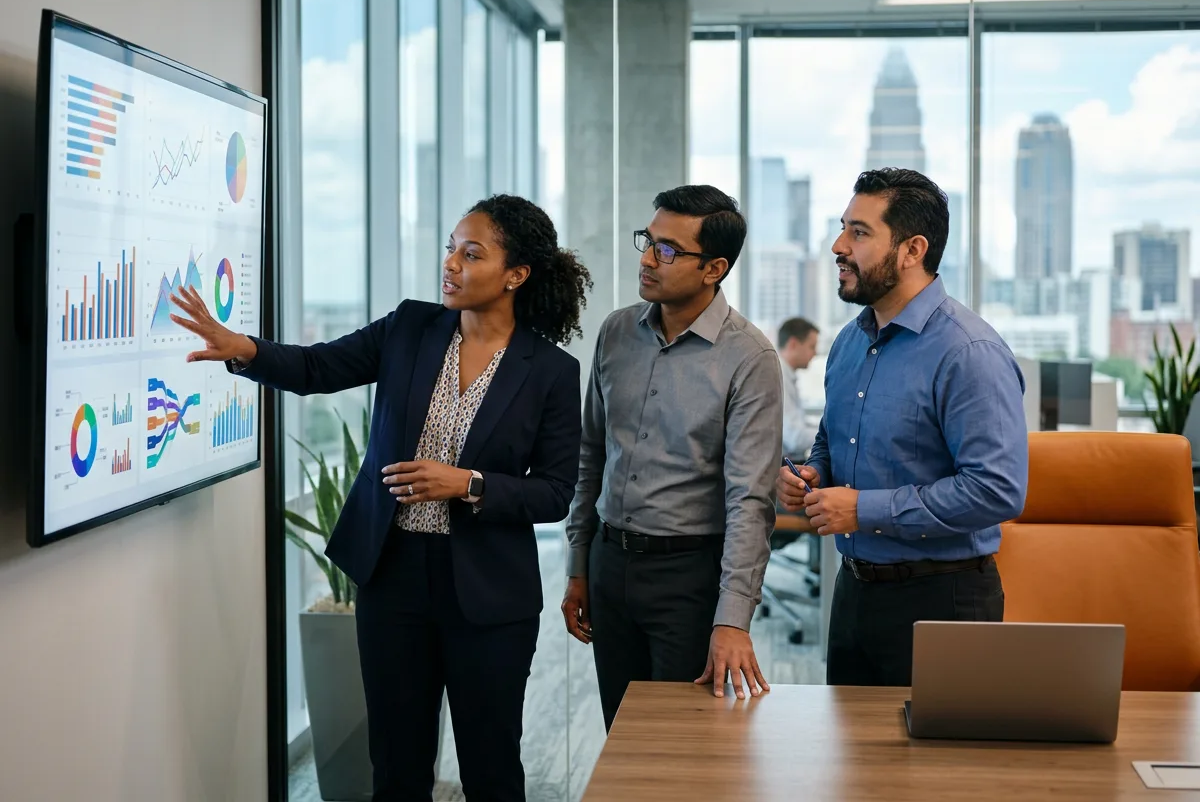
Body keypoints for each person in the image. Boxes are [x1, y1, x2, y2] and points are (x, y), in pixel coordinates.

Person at [170, 195, 591, 801]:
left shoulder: (550, 369)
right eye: (450, 246)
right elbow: (316, 367)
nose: (451, 263)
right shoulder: (409, 327)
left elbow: (554, 491)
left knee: (491, 763)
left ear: (516, 275)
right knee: (396, 762)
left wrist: (466, 483)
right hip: (392, 575)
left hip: (489, 591)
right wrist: (243, 348)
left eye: (472, 254)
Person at [775, 168, 1027, 688]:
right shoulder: (848, 342)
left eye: (859, 233)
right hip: (854, 594)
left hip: (943, 602)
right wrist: (813, 473)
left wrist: (861, 509)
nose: (838, 245)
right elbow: (832, 437)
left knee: (939, 770)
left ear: (913, 249)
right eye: (843, 227)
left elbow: (997, 490)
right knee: (851, 766)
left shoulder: (969, 352)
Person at [561, 184, 781, 732]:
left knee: (682, 745)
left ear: (714, 268)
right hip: (610, 565)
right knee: (623, 731)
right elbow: (592, 453)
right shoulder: (616, 332)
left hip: (688, 577)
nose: (646, 258)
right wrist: (578, 566)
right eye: (647, 241)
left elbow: (750, 499)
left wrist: (733, 621)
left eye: (666, 250)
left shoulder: (749, 357)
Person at [776, 316, 820, 460]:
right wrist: (832, 435)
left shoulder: (785, 374)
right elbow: (795, 437)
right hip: (783, 463)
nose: (815, 353)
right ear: (793, 344)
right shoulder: (778, 375)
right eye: (811, 346)